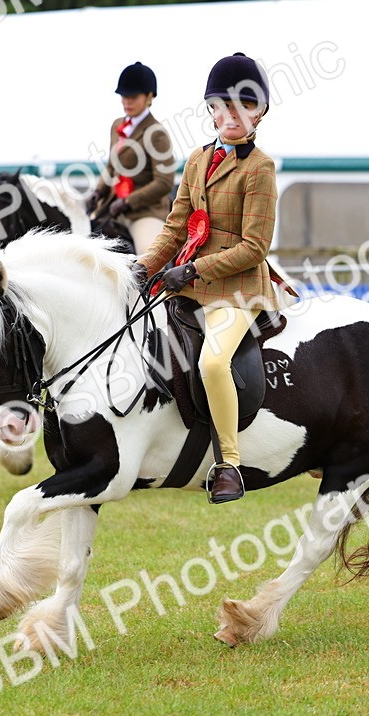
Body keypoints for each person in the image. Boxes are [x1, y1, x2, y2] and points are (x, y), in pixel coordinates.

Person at [136, 52, 283, 504]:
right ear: (212, 110)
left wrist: (194, 268)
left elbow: (254, 247)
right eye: (223, 106)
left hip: (236, 291)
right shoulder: (197, 160)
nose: (231, 115)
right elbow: (177, 226)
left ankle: (230, 465)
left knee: (213, 363)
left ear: (259, 113)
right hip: (189, 282)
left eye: (243, 107)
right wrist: (142, 268)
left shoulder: (260, 168)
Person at [87, 62, 175, 255]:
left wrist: (128, 202)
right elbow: (112, 167)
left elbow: (164, 182)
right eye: (124, 96)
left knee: (149, 255)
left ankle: (158, 285)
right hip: (110, 208)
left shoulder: (157, 134)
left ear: (149, 96)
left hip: (144, 213)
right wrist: (98, 191)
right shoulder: (117, 126)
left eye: (133, 97)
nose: (126, 101)